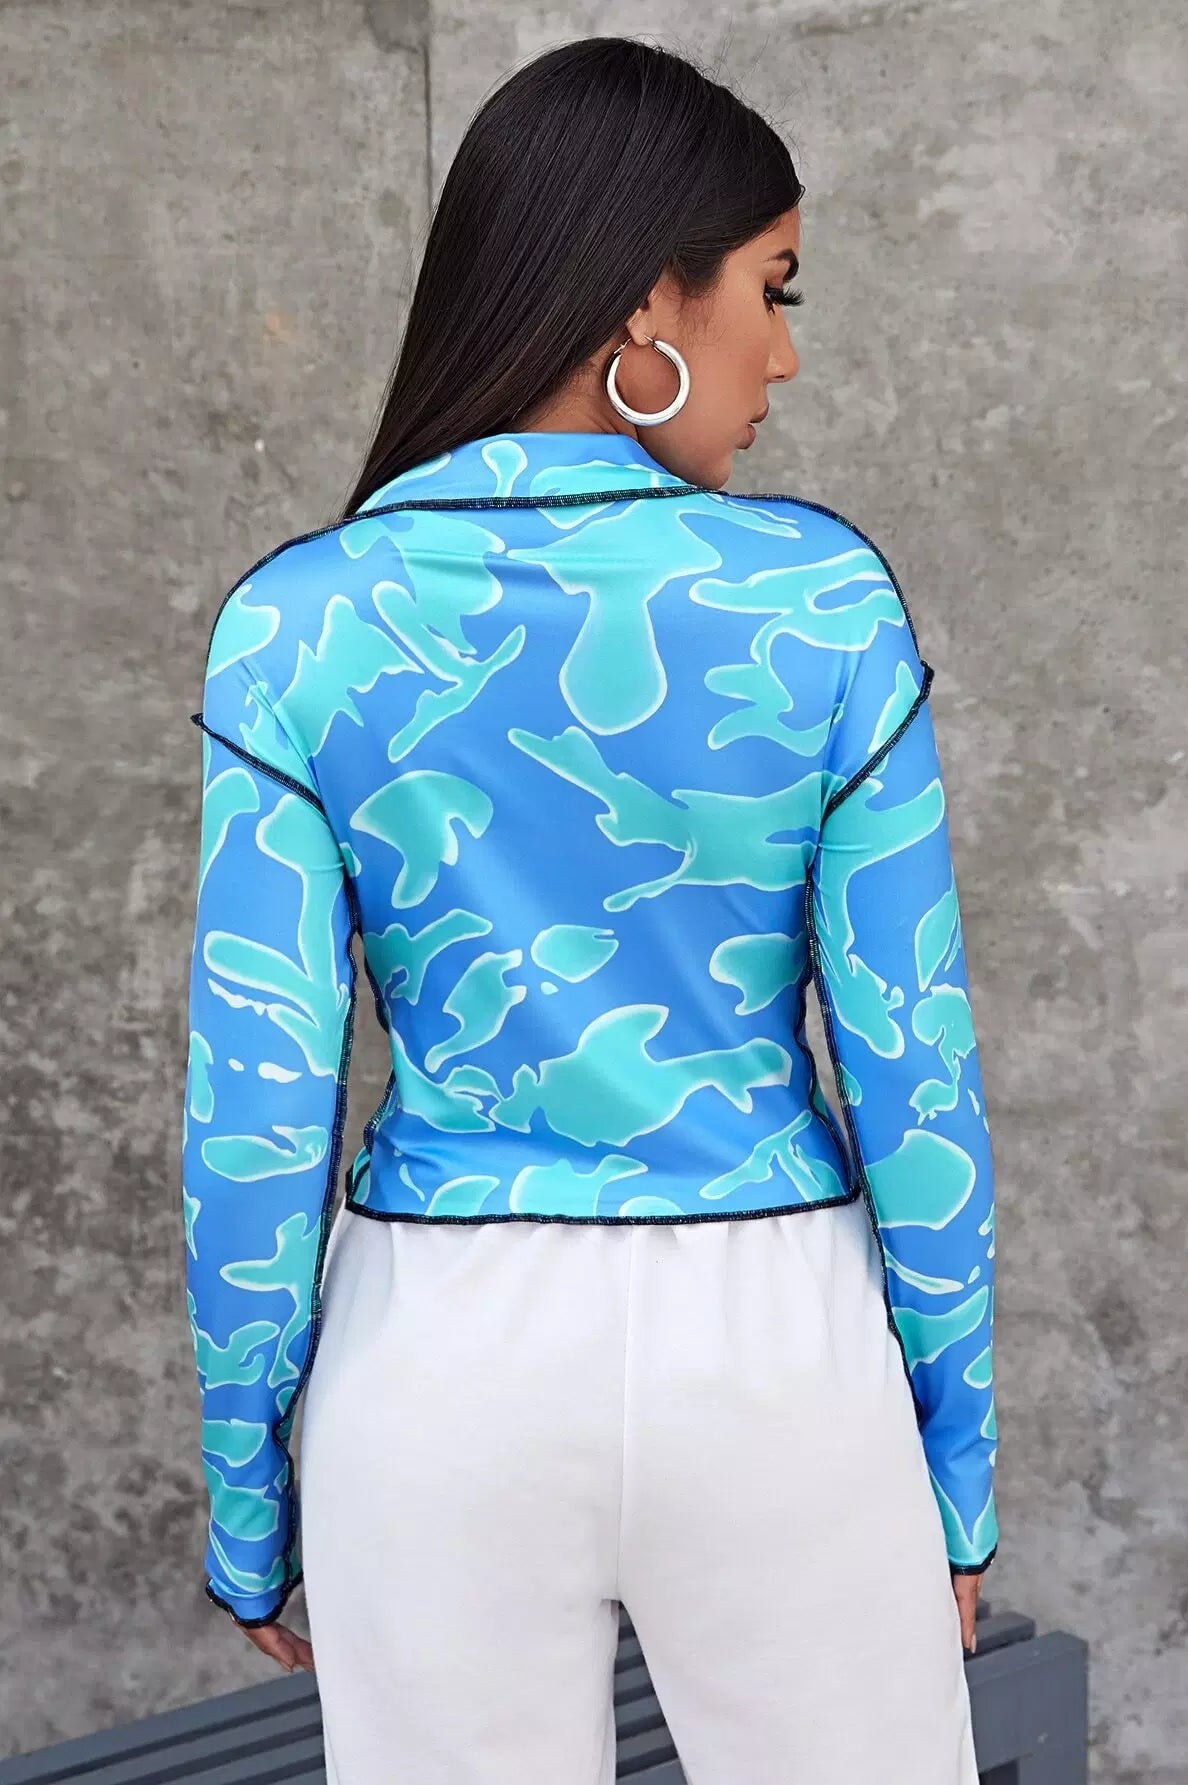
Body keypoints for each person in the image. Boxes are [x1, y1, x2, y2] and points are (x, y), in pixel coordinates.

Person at [179, 34, 997, 1785]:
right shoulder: (822, 602)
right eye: (773, 288)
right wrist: (958, 1470)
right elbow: (914, 1067)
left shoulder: (297, 625)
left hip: (434, 1362)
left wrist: (252, 1495)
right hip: (775, 1354)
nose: (783, 353)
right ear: (647, 302)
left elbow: (256, 1106)